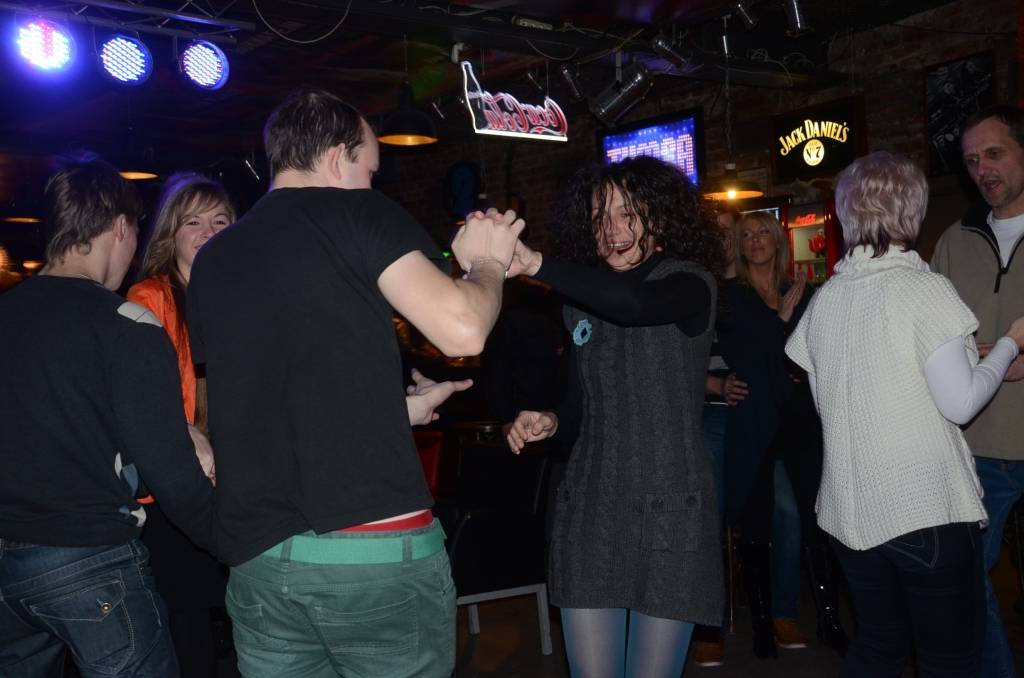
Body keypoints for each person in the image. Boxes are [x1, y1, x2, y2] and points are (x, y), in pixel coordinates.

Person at [186, 89, 521, 678]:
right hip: (371, 551)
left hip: (260, 560)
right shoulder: (358, 212)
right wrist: (487, 263)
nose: (372, 182)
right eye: (370, 168)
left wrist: (399, 411)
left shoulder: (213, 258)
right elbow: (464, 330)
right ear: (338, 157)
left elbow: (265, 400)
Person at [787, 150, 1024, 677]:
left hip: (851, 518)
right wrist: (1010, 342)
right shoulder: (923, 289)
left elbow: (835, 404)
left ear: (846, 213)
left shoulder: (825, 301)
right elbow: (961, 403)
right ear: (912, 210)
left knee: (879, 650)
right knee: (949, 661)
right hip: (924, 513)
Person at [505, 156, 724, 678]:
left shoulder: (690, 284)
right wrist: (552, 421)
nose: (613, 229)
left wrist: (537, 265)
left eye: (628, 213)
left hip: (669, 509)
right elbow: (581, 407)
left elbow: (632, 305)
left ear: (660, 217)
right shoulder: (580, 304)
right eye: (599, 217)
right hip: (592, 506)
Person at [0, 158, 218, 676]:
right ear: (120, 227)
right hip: (87, 560)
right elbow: (171, 472)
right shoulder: (127, 325)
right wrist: (230, 538)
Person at [717, 210, 846, 659]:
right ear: (740, 245)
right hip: (754, 416)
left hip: (799, 416)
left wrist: (793, 349)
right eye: (746, 235)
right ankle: (762, 624)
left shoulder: (801, 291)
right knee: (758, 517)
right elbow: (746, 357)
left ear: (777, 240)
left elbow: (815, 351)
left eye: (762, 233)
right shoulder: (730, 297)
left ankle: (829, 619)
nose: (755, 240)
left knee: (814, 514)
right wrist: (781, 324)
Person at [128, 172, 235, 677]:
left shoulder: (244, 297)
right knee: (188, 630)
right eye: (193, 221)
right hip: (180, 487)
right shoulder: (151, 297)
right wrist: (184, 428)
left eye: (220, 221)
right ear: (171, 233)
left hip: (242, 480)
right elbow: (137, 392)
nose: (208, 231)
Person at [931, 105, 1024, 678]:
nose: (982, 169)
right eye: (971, 160)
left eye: (994, 153)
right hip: (980, 445)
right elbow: (928, 333)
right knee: (965, 582)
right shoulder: (953, 240)